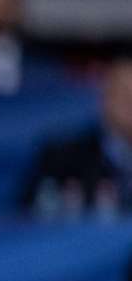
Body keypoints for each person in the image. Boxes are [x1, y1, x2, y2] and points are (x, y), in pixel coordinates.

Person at [21, 55, 132, 216]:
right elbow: (23, 221)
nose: (130, 102)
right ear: (105, 99)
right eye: (124, 93)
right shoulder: (60, 158)